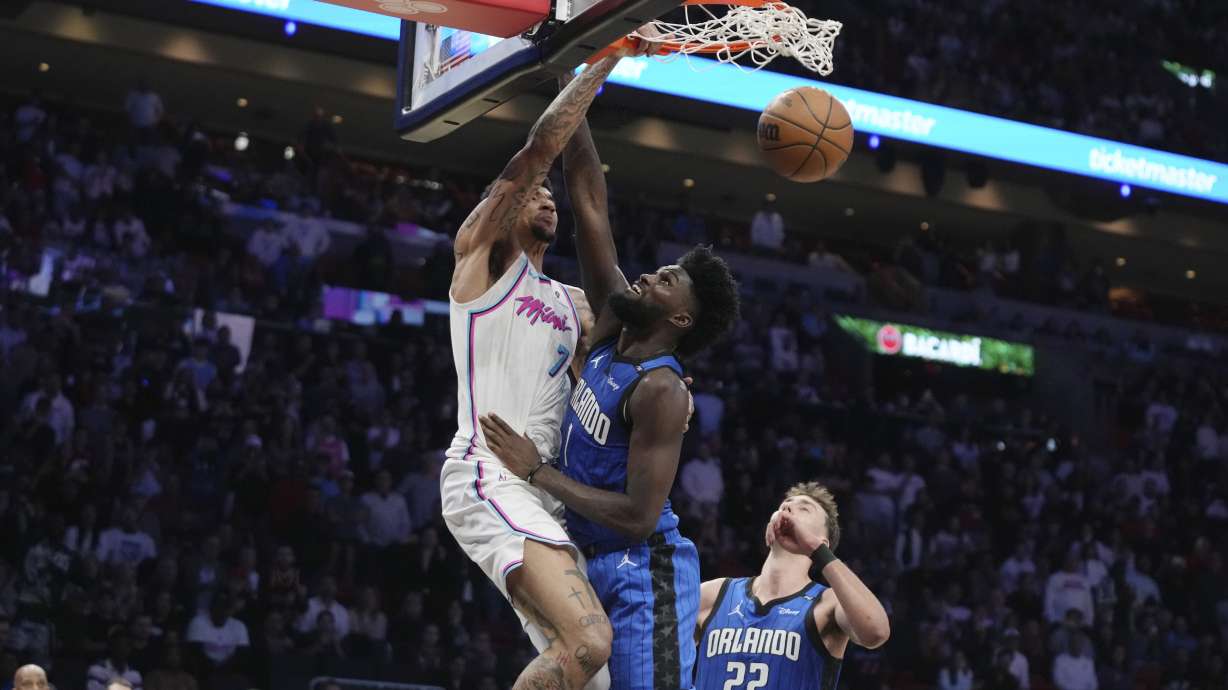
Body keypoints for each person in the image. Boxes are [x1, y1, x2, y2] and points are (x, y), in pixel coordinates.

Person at [479, 76, 741, 690]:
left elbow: (639, 517)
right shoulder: (614, 325)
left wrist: (535, 471)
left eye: (669, 279)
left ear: (680, 318)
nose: (652, 274)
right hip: (587, 556)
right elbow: (590, 200)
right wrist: (573, 87)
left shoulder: (662, 390)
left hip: (642, 571)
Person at [438, 41, 651, 690]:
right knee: (591, 638)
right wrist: (603, 60)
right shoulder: (481, 263)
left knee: (591, 669)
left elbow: (607, 393)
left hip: (543, 492)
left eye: (549, 193)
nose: (546, 196)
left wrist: (662, 389)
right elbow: (538, 150)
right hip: (487, 475)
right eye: (532, 192)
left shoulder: (574, 306)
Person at [688, 483, 889, 689]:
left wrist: (816, 551)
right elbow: (658, 651)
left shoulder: (827, 603)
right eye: (785, 505)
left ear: (823, 542)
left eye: (804, 509)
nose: (788, 510)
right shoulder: (715, 594)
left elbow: (876, 632)